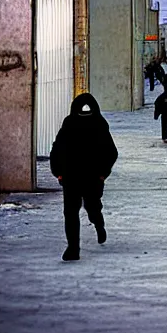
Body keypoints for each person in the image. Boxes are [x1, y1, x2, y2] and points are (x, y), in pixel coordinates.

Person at [50, 93, 118, 261]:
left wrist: (103, 174)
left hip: (92, 178)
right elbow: (57, 149)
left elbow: (111, 152)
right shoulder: (69, 123)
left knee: (92, 207)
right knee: (70, 213)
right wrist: (58, 172)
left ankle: (99, 225)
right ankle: (73, 248)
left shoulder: (99, 124)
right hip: (71, 177)